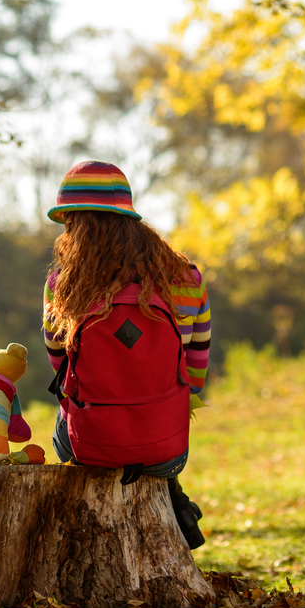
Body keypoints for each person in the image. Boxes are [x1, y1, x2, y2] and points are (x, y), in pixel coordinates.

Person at [42, 160, 210, 549]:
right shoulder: (187, 278)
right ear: (130, 217)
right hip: (166, 449)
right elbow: (194, 379)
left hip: (88, 447)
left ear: (73, 224)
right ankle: (175, 498)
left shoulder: (61, 287)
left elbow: (63, 372)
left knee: (64, 416)